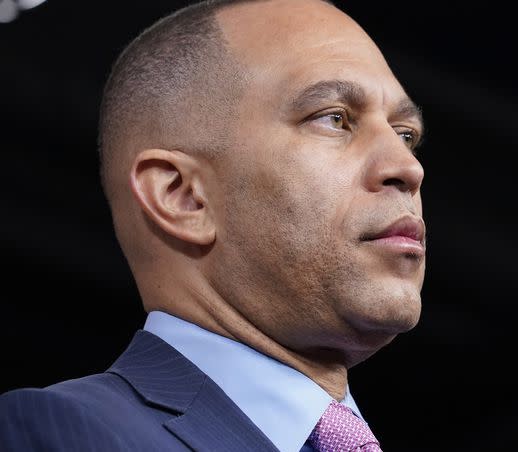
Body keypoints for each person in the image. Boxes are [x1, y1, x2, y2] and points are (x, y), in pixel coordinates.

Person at [0, 0, 426, 450]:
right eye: (334, 118)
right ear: (183, 197)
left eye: (405, 135)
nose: (407, 167)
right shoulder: (61, 432)